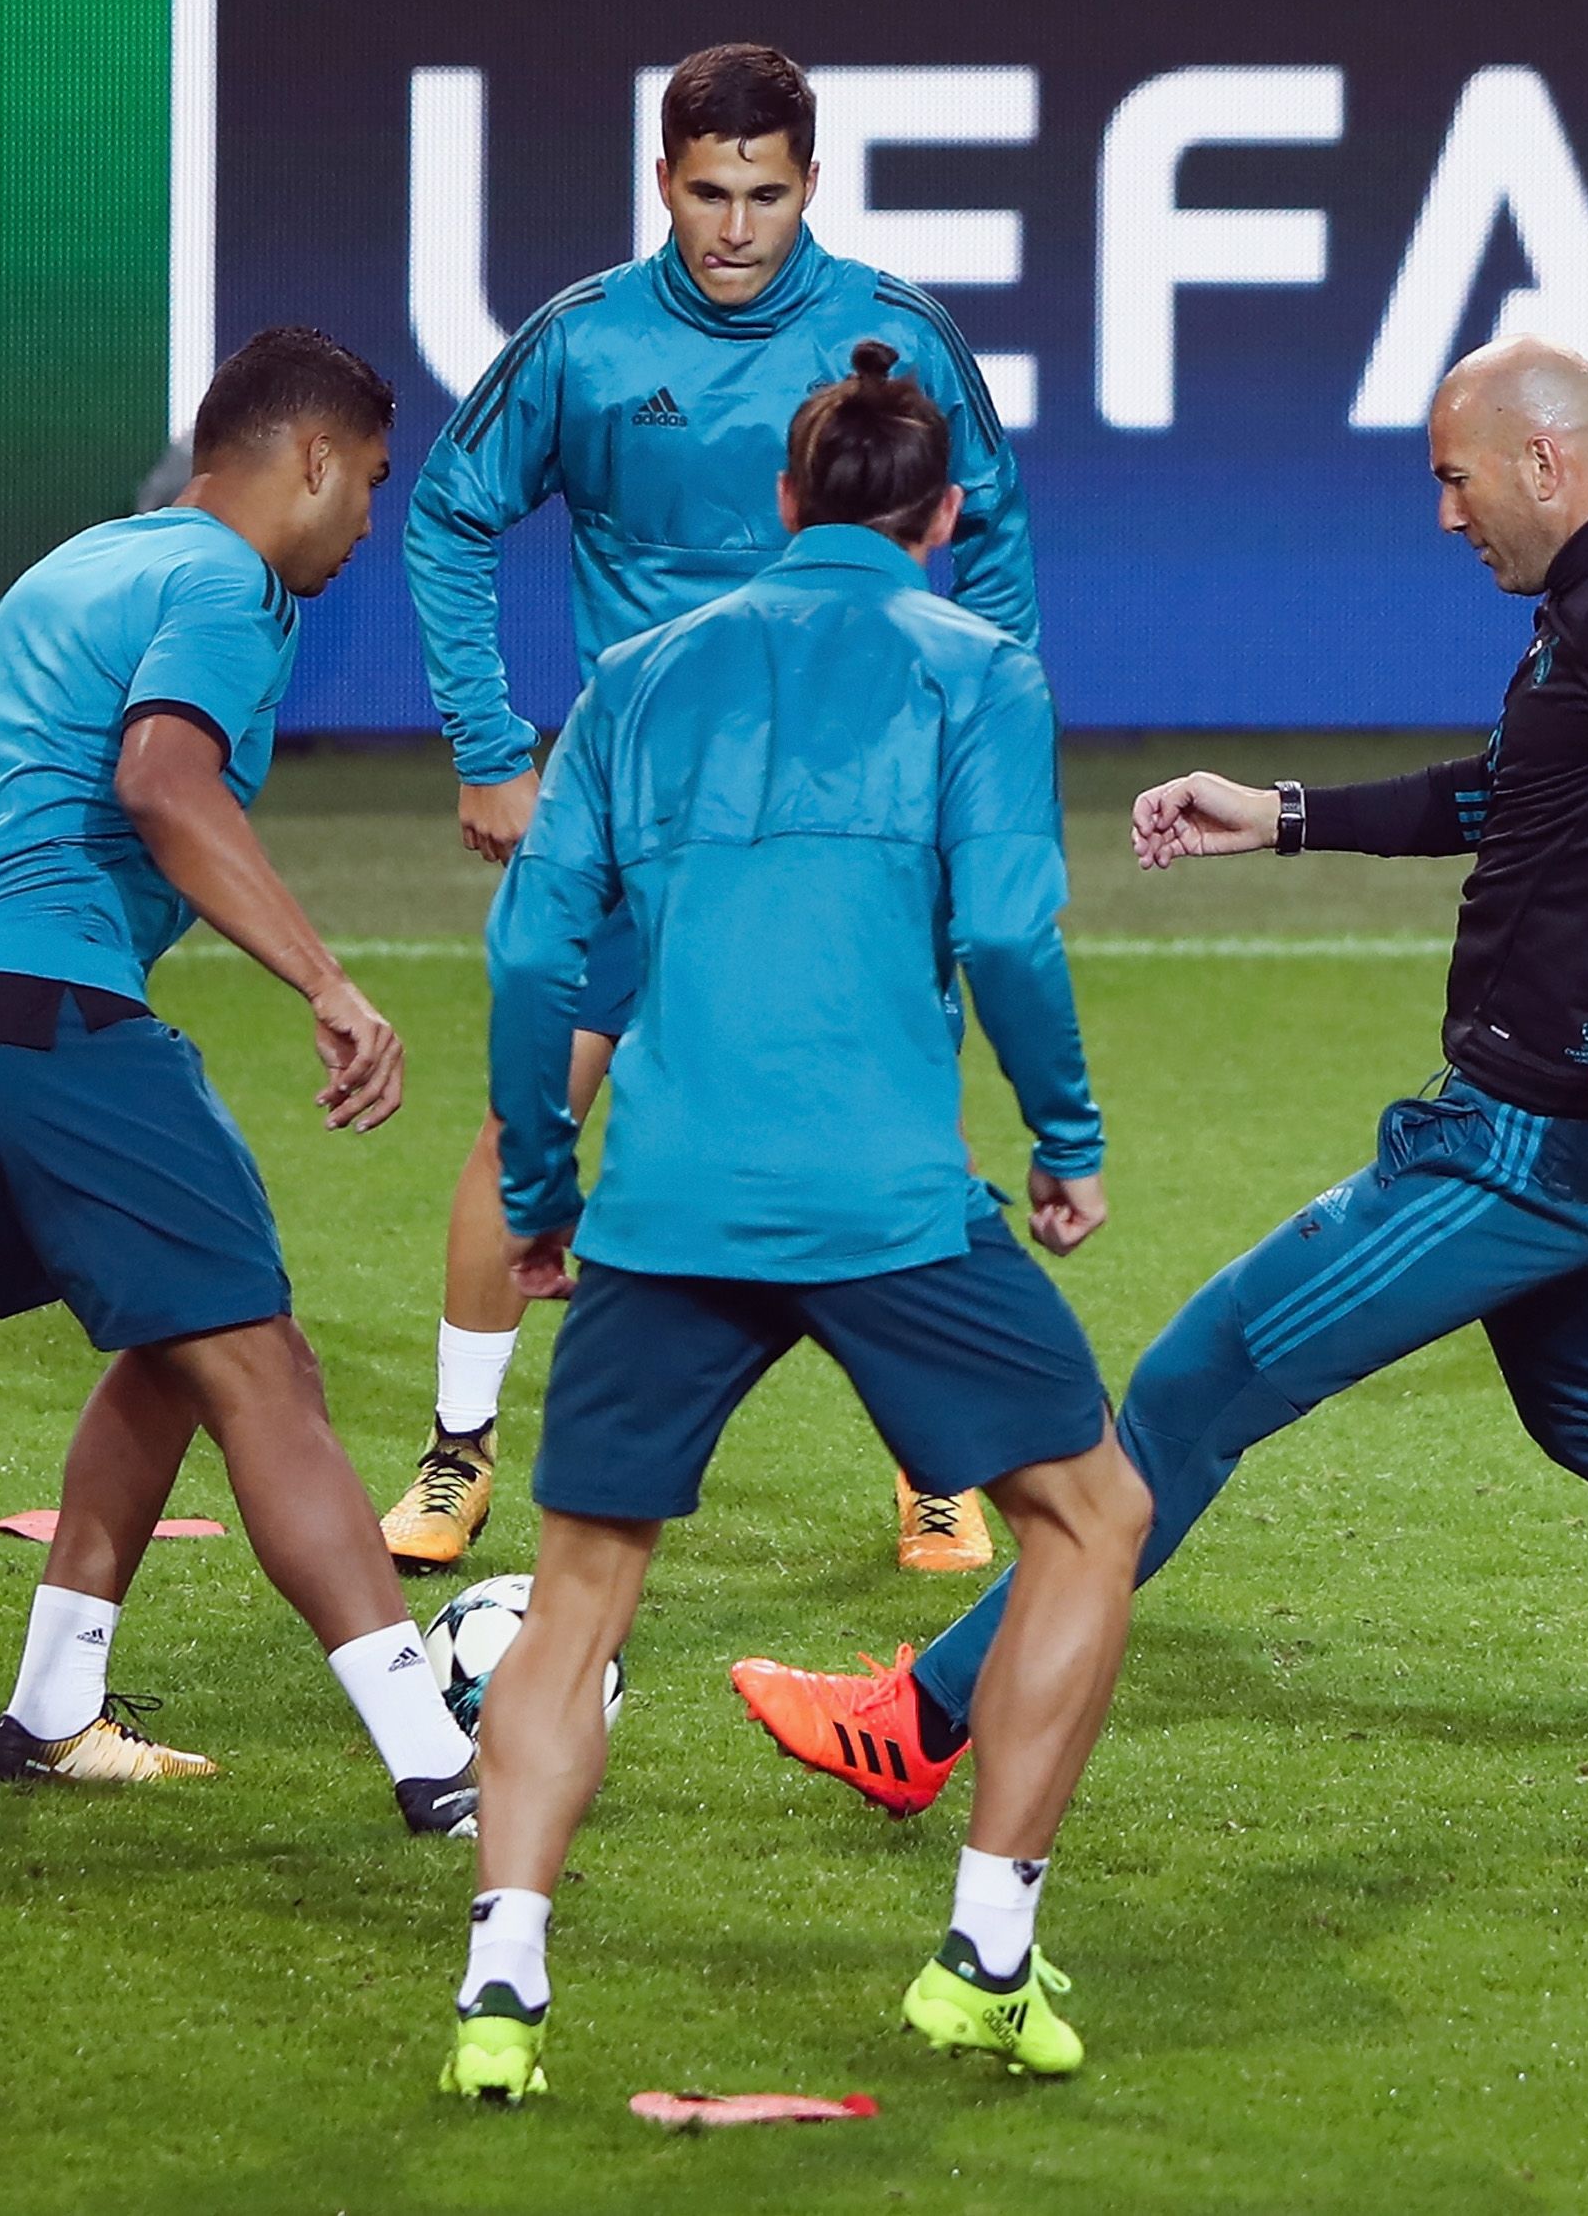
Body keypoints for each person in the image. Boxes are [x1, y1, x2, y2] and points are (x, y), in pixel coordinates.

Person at [729, 335, 1588, 1830]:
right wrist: (1278, 816)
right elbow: (1504, 791)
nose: (1442, 513)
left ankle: (922, 1717)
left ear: (1545, 462)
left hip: (1523, 1147)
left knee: (1184, 1388)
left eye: (1453, 477)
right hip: (1576, 1138)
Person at [441, 343, 1148, 2103]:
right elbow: (1007, 934)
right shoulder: (977, 667)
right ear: (946, 513)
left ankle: (502, 1992)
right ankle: (986, 1948)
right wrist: (1065, 1135)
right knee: (1091, 1511)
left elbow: (535, 953)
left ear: (782, 499)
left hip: (668, 1203)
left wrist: (540, 1188)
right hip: (890, 1205)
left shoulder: (635, 674)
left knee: (581, 1598)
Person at [0, 327, 489, 1829]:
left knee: (177, 1342)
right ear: (315, 460)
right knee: (266, 1363)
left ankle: (50, 1712)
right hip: (46, 1011)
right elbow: (162, 780)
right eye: (372, 487)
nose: (367, 523)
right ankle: (441, 1761)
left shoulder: (69, 568)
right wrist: (326, 980)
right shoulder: (226, 583)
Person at [387, 41, 1036, 1578]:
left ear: (816, 184)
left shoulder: (894, 337)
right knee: (528, 1110)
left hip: (852, 819)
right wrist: (490, 744)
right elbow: (446, 515)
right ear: (660, 184)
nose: (735, 227)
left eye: (765, 193)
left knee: (896, 1125)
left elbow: (997, 541)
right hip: (637, 812)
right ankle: (459, 1447)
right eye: (705, 194)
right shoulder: (585, 346)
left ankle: (935, 1467)